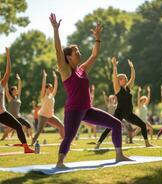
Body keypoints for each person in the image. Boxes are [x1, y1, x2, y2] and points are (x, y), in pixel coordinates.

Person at [50, 13, 130, 168]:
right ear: (69, 57)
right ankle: (60, 162)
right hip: (74, 110)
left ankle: (119, 155)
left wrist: (98, 38)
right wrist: (55, 30)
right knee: (69, 136)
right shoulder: (65, 70)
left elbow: (94, 55)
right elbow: (58, 50)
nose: (79, 53)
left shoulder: (81, 70)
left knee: (116, 124)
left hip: (87, 109)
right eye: (76, 51)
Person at [96, 57, 153, 149]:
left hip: (128, 113)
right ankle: (98, 144)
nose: (126, 78)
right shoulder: (117, 88)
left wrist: (132, 68)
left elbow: (133, 77)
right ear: (120, 80)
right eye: (124, 78)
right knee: (109, 127)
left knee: (142, 125)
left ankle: (147, 143)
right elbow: (115, 77)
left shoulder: (127, 88)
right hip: (119, 112)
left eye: (126, 77)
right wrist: (114, 66)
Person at [30, 70, 64, 145]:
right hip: (43, 115)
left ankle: (65, 142)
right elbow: (43, 86)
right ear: (46, 89)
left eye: (51, 88)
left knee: (61, 126)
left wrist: (55, 77)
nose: (51, 89)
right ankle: (32, 143)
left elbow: (56, 87)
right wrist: (44, 76)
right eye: (50, 88)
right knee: (39, 130)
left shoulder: (52, 96)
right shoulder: (43, 95)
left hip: (50, 116)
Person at [2, 74, 33, 140]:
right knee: (7, 132)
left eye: (16, 90)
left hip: (18, 117)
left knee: (28, 125)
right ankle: (2, 139)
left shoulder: (18, 97)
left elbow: (20, 88)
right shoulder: (10, 98)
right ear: (12, 91)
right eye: (15, 90)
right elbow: (6, 88)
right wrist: (6, 79)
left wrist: (19, 79)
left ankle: (32, 139)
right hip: (11, 118)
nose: (16, 91)